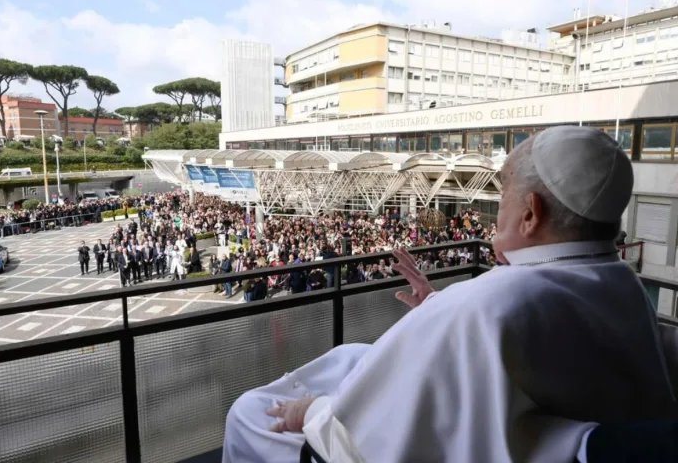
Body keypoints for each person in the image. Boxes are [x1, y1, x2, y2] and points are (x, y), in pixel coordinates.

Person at [223, 126, 678, 462]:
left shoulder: (484, 304)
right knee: (351, 355)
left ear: (529, 214)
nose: (496, 211)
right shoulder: (628, 287)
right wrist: (437, 308)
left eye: (504, 197)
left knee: (248, 413)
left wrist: (314, 411)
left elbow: (374, 437)